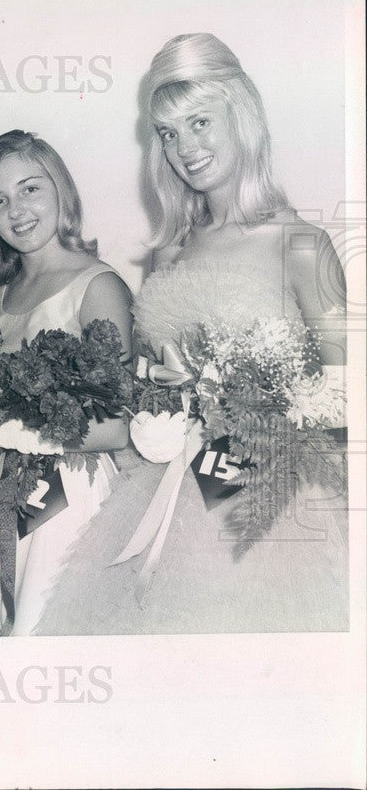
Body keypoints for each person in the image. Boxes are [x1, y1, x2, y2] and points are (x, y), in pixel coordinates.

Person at [36, 33, 348, 635]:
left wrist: (262, 422)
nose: (185, 149)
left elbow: (348, 398)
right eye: (169, 134)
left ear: (242, 115)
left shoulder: (302, 244)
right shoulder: (167, 254)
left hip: (271, 506)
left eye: (199, 122)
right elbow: (153, 377)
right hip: (162, 493)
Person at [0, 130, 134, 636]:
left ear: (61, 190)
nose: (17, 209)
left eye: (30, 188)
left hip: (67, 501)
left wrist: (12, 432)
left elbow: (115, 427)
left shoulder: (98, 286)